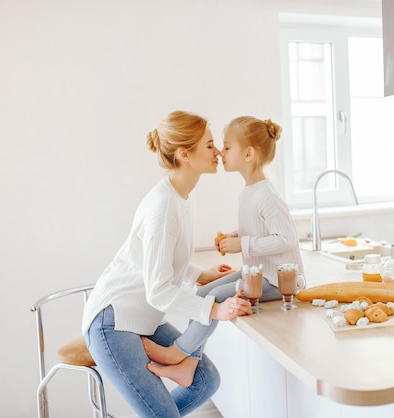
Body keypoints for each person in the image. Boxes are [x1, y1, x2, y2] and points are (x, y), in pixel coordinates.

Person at [81, 110, 252, 418]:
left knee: (204, 380)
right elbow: (158, 290)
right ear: (185, 154)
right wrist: (213, 310)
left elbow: (162, 260)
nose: (217, 152)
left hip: (141, 318)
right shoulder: (163, 206)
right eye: (210, 145)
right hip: (114, 323)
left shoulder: (181, 195)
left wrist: (200, 274)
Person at [142, 115, 304, 384]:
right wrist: (235, 237)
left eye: (227, 147)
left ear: (248, 153)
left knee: (214, 297)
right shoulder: (249, 191)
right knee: (204, 293)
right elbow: (259, 231)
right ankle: (190, 363)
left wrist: (242, 244)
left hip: (277, 280)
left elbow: (287, 239)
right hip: (257, 273)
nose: (220, 152)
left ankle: (176, 354)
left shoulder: (266, 194)